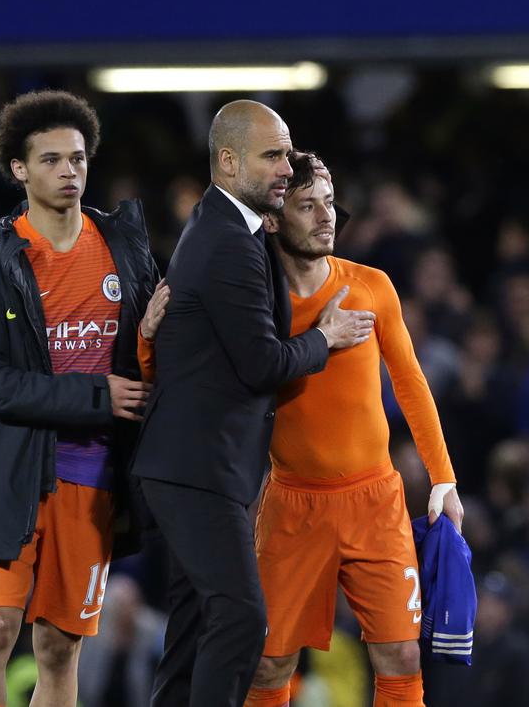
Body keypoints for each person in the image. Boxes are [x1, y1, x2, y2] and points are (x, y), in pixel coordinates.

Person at [130, 102, 374, 707]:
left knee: (195, 630)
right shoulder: (225, 241)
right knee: (240, 619)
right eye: (272, 156)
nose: (285, 169)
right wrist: (327, 336)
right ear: (229, 160)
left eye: (287, 154)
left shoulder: (234, 230)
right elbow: (262, 363)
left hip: (200, 467)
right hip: (197, 470)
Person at [0, 89, 165, 707]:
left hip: (92, 475)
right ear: (18, 169)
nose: (68, 171)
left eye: (77, 158)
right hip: (6, 472)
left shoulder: (122, 248)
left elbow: (147, 354)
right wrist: (96, 396)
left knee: (61, 646)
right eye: (50, 160)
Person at [235, 150, 463, 707]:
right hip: (293, 502)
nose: (325, 217)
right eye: (307, 206)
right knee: (270, 664)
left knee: (402, 654)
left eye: (330, 204)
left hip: (375, 498)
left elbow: (410, 382)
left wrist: (443, 478)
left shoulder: (372, 285)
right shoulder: (256, 302)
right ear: (273, 218)